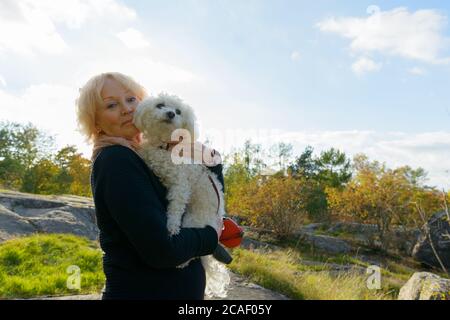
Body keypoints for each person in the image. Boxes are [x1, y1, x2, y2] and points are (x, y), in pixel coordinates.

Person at [76, 72, 224, 300]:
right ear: (96, 122)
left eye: (131, 99)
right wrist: (211, 236)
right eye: (112, 105)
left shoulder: (145, 155)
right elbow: (164, 251)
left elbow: (204, 200)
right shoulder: (116, 160)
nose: (126, 109)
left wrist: (211, 162)